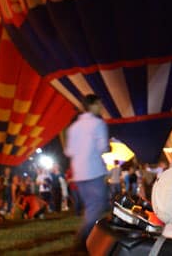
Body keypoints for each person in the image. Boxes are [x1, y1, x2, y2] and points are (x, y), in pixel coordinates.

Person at [64, 93, 111, 250]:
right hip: (94, 171)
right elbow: (103, 147)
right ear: (92, 105)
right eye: (99, 104)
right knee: (97, 207)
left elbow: (69, 151)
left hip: (79, 173)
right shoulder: (98, 124)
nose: (101, 107)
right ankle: (82, 239)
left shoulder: (73, 127)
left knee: (91, 207)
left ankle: (88, 239)